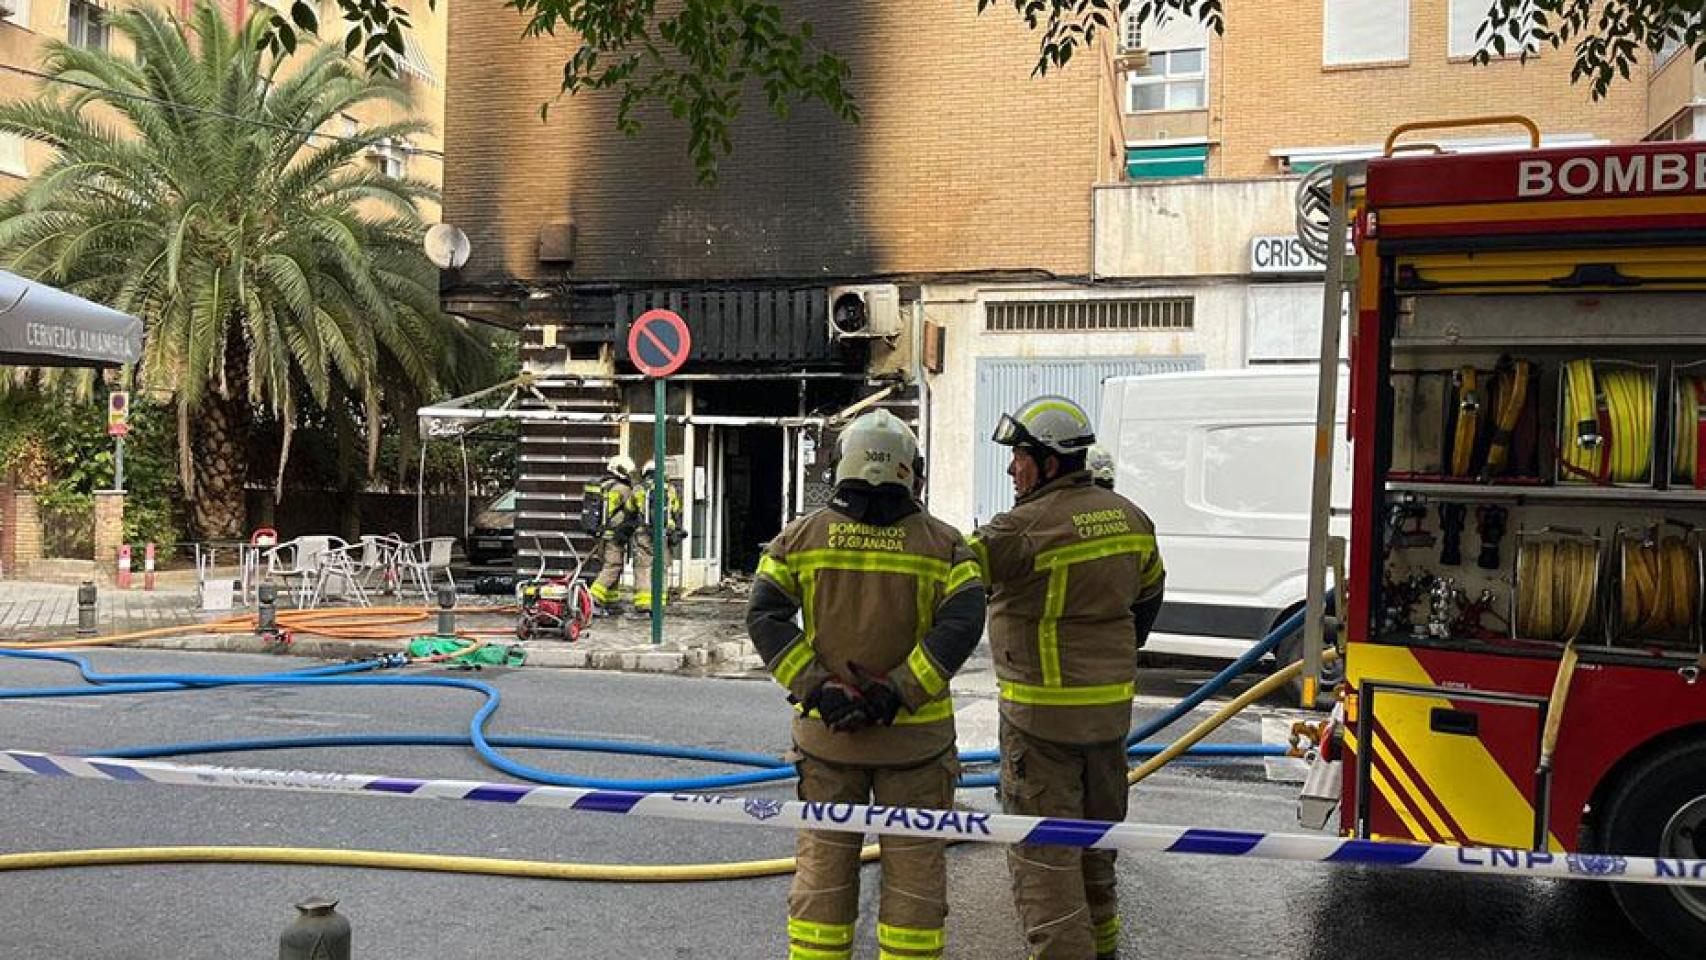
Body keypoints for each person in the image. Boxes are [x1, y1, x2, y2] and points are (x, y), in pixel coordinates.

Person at [747, 410, 986, 960]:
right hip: (917, 751)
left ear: (840, 468)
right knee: (915, 885)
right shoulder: (946, 546)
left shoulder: (799, 538)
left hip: (829, 744)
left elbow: (765, 618)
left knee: (823, 878)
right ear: (912, 474)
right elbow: (962, 625)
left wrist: (820, 690)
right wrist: (896, 692)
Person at [968, 395, 1165, 960]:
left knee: (1046, 874)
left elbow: (947, 578)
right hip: (1108, 725)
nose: (1011, 468)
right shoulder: (1131, 517)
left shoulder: (1019, 531)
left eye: (1020, 457)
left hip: (1041, 728)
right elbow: (1150, 596)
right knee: (1097, 857)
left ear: (1050, 463)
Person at [629, 460, 683, 616]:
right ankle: (660, 603)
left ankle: (644, 604)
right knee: (662, 568)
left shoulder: (639, 489)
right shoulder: (670, 490)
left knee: (643, 568)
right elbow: (676, 510)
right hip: (664, 533)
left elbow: (630, 509)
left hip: (643, 534)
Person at [586, 455, 637, 616]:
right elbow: (632, 510)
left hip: (601, 535)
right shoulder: (623, 489)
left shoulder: (604, 485)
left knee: (609, 566)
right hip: (614, 535)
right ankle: (591, 599)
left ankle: (610, 602)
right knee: (613, 566)